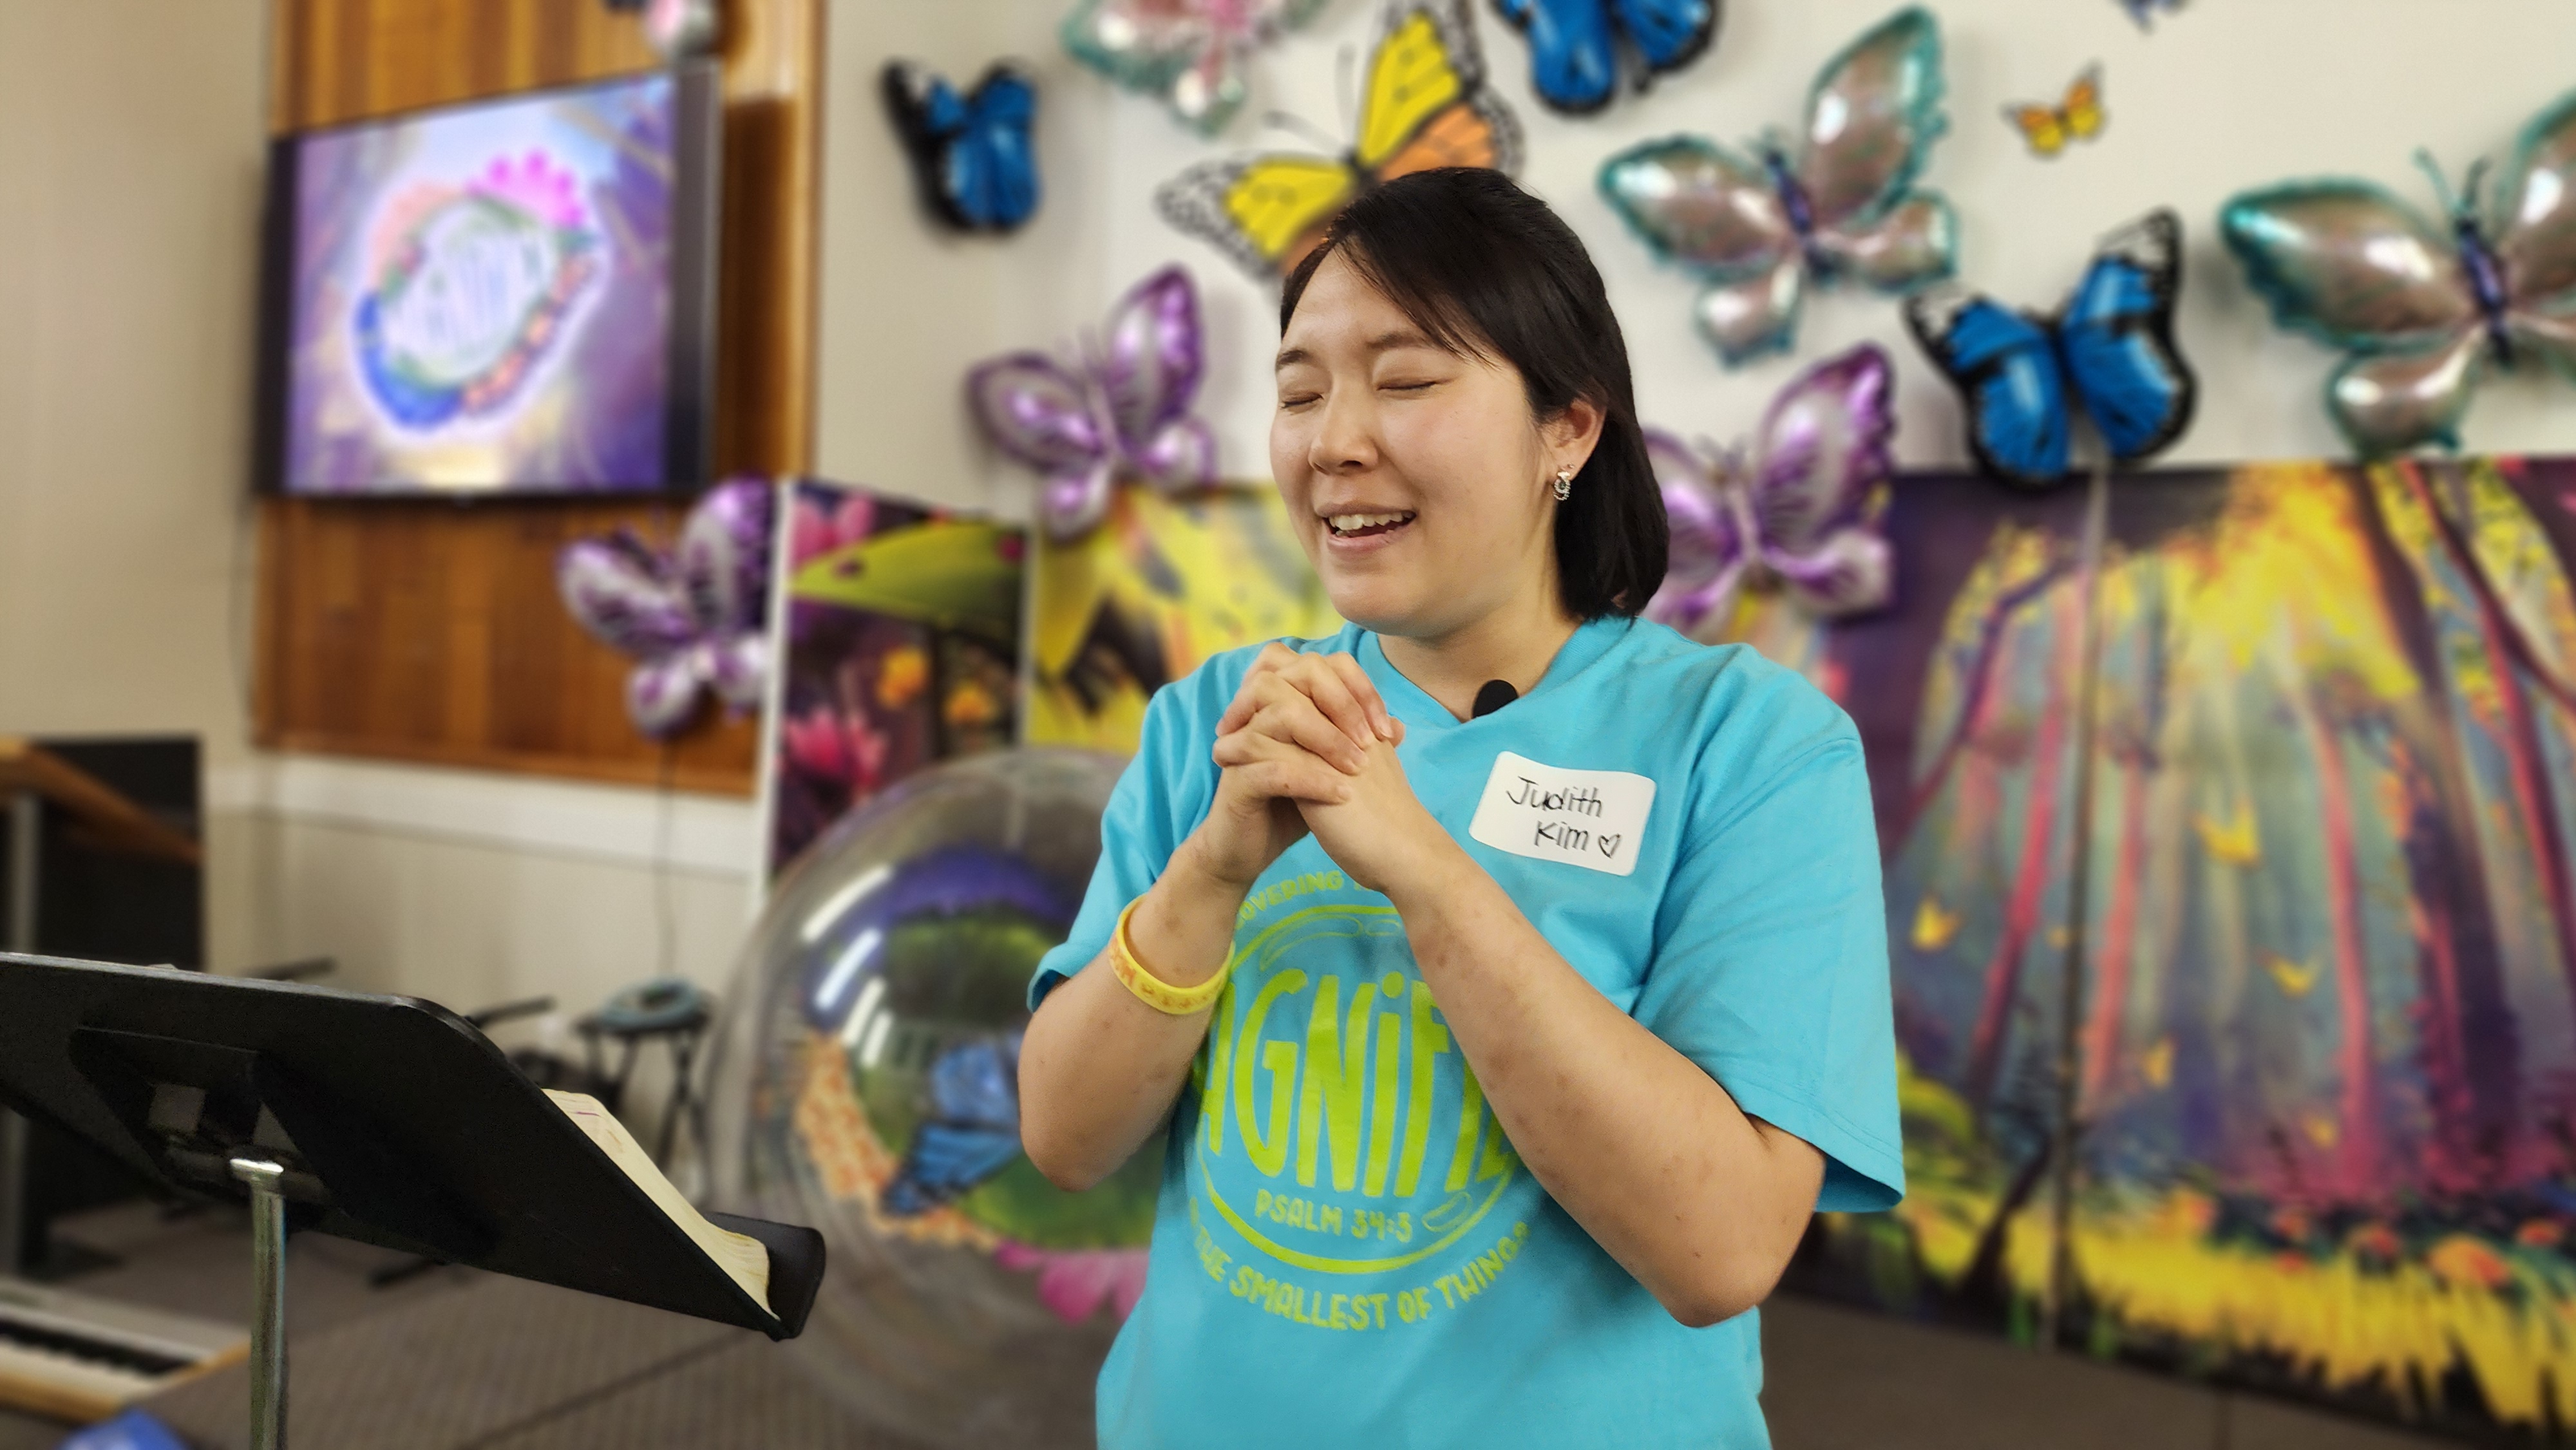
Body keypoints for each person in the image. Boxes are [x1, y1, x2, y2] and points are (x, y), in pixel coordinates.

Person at [1018, 167, 1901, 1448]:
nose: (1334, 441)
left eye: (1407, 380)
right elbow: (1064, 1138)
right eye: (1299, 390)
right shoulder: (1218, 718)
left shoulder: (1750, 743)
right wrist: (1210, 872)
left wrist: (1428, 876)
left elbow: (1720, 1248)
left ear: (1567, 430)